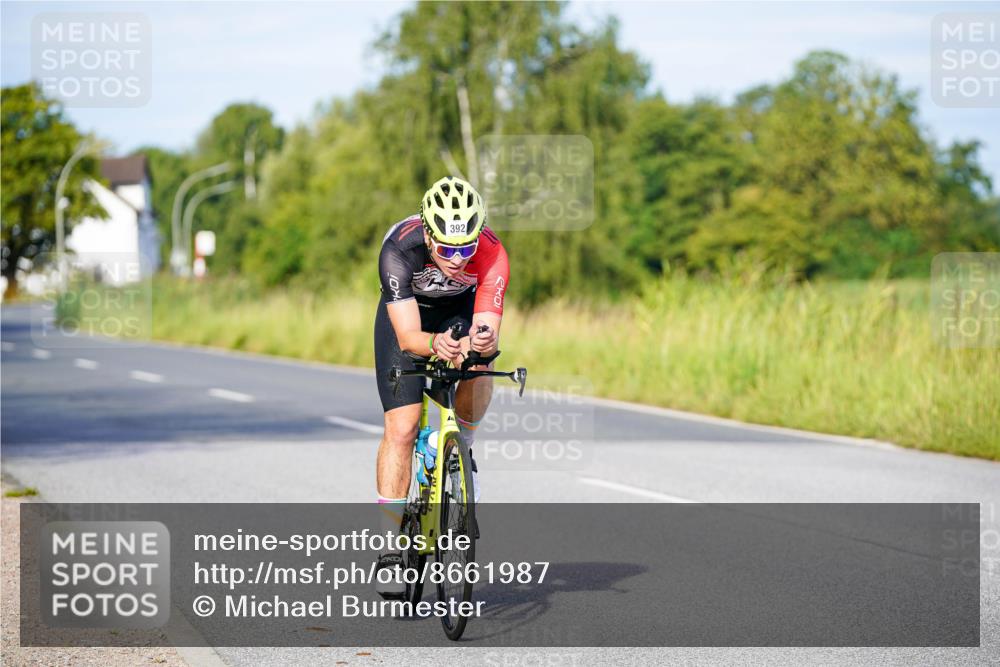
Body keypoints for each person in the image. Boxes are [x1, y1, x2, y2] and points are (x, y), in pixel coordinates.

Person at [372, 176, 509, 598]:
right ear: (428, 234)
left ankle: (460, 450)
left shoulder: (492, 254)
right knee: (403, 428)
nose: (457, 259)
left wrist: (478, 340)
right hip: (411, 321)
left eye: (466, 247)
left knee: (482, 362)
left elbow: (489, 329)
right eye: (447, 249)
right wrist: (435, 345)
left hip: (459, 314)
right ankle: (391, 548)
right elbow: (411, 337)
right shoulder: (399, 248)